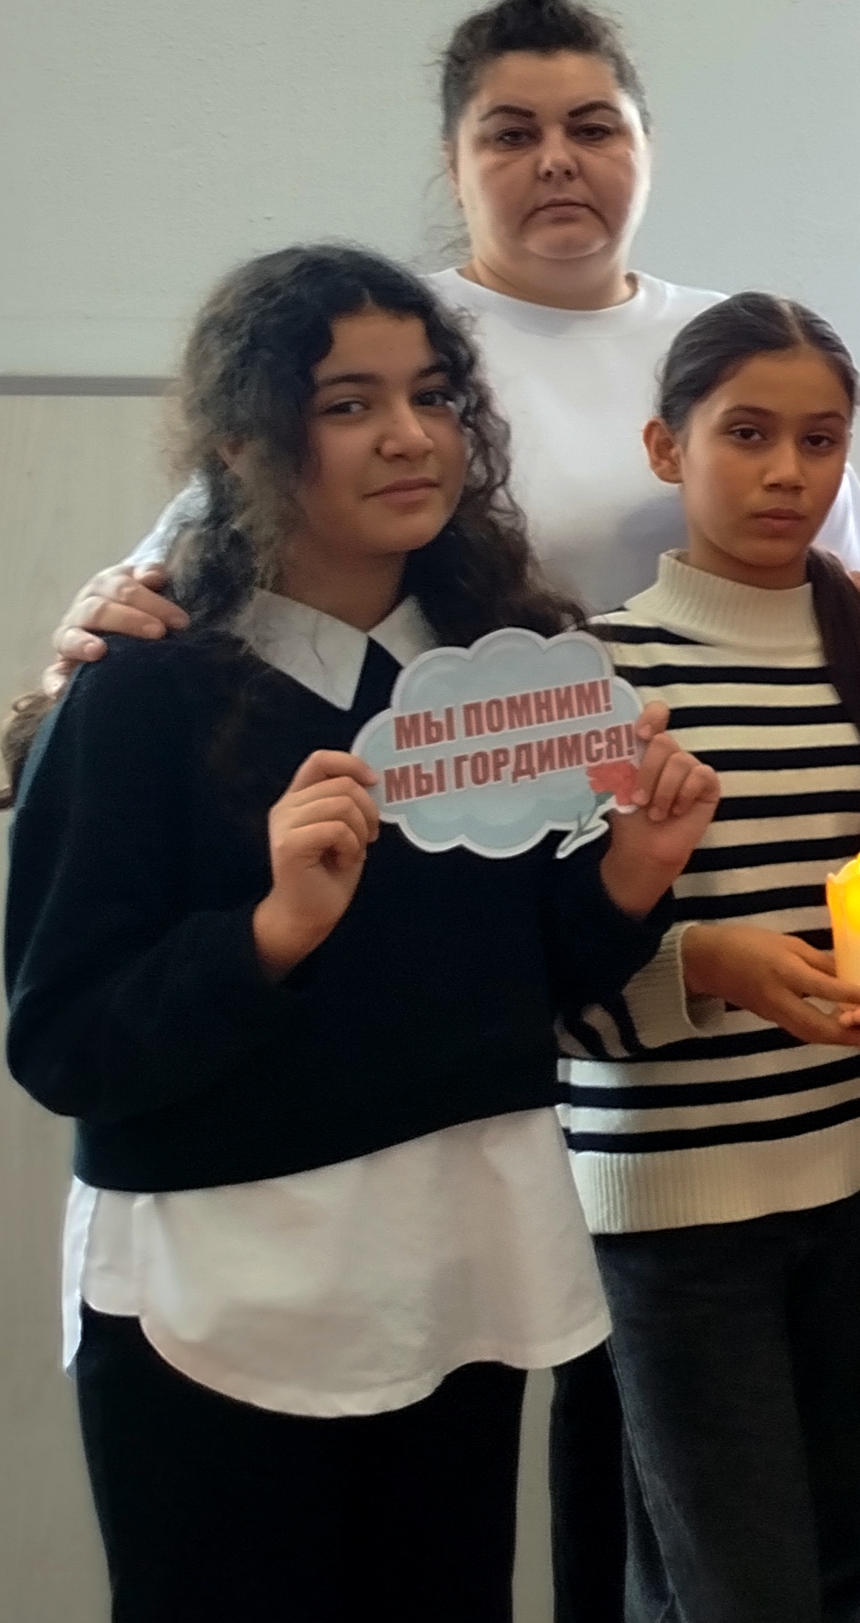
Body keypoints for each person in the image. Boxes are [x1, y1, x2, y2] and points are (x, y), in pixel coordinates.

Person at [2, 243, 717, 1621]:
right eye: (347, 404)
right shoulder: (140, 695)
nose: (408, 436)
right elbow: (66, 1041)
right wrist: (271, 932)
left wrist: (630, 878)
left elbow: (519, 992)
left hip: (454, 1263)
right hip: (222, 1294)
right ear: (243, 442)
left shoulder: (507, 673)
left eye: (435, 395)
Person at [50, 0, 860, 682]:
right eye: (511, 134)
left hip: (717, 757)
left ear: (646, 145)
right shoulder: (389, 344)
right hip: (447, 772)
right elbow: (206, 546)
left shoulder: (728, 342)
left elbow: (842, 576)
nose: (556, 159)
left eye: (593, 128)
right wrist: (111, 610)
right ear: (452, 164)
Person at [560, 293, 860, 1623]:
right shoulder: (595, 676)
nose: (788, 472)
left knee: (846, 1567)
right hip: (679, 1208)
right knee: (738, 1591)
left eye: (820, 439)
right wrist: (699, 965)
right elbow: (539, 979)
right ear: (664, 446)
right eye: (746, 434)